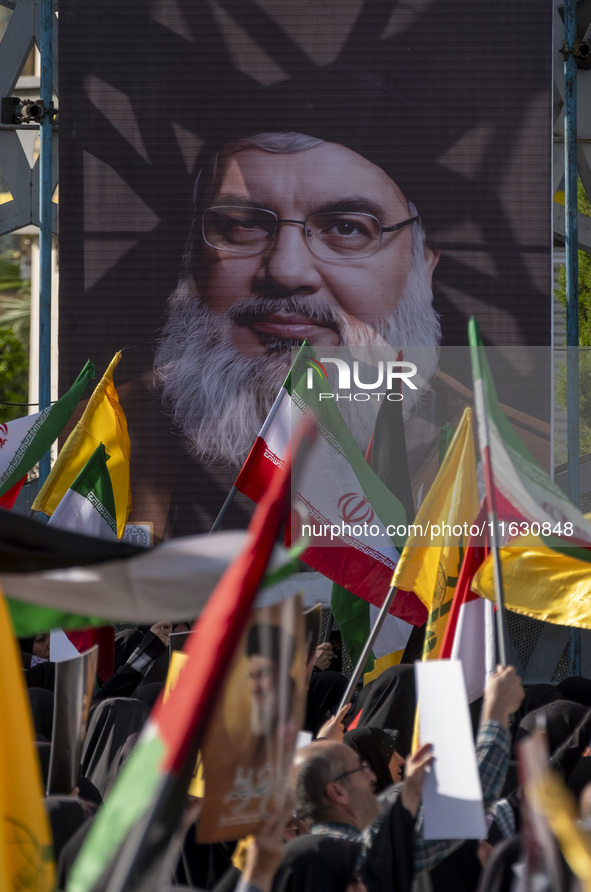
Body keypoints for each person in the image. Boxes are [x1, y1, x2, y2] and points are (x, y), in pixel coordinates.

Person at [270, 665, 524, 892]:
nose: (371, 776)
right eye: (359, 769)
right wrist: (496, 713)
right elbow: (460, 814)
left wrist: (410, 793)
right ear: (337, 792)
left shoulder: (292, 857)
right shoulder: (348, 855)